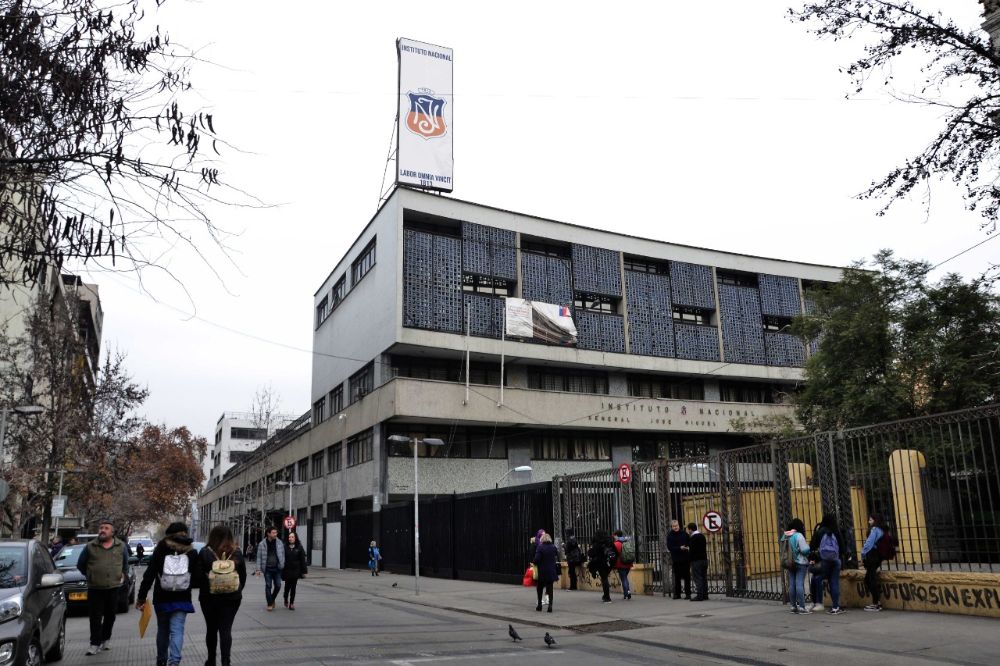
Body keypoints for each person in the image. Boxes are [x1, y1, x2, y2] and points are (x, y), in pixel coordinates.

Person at [137, 522, 201, 666]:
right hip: (182, 598)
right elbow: (197, 578)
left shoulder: (160, 549)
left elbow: (150, 574)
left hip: (162, 598)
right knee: (177, 630)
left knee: (163, 630)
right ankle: (174, 661)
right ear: (185, 533)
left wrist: (141, 597)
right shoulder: (192, 552)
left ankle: (161, 661)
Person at [76, 519, 129, 656]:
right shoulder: (90, 546)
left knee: (110, 615)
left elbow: (125, 565)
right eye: (101, 528)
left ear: (112, 532)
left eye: (106, 528)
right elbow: (81, 565)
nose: (102, 530)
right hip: (95, 588)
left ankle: (106, 639)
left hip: (113, 587)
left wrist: (122, 575)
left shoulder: (121, 546)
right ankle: (94, 643)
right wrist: (90, 575)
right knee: (95, 617)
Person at [199, 524, 247, 666]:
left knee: (211, 629)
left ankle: (211, 659)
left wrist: (209, 585)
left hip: (209, 598)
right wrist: (236, 590)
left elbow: (197, 577)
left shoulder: (204, 552)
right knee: (226, 629)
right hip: (232, 598)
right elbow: (242, 577)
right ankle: (226, 661)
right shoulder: (237, 553)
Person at [809, 513, 847, 614]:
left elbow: (812, 547)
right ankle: (835, 607)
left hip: (824, 561)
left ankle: (817, 602)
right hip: (836, 560)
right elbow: (843, 547)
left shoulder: (820, 531)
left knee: (817, 577)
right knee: (834, 582)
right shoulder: (836, 531)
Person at [781, 518, 811, 614]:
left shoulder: (785, 536)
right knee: (799, 584)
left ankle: (793, 606)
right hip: (800, 562)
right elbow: (805, 550)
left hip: (789, 562)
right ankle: (802, 607)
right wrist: (809, 548)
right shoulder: (798, 535)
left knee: (792, 584)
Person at [254, 527, 286, 611]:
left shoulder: (279, 543)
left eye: (276, 532)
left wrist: (282, 563)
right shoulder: (262, 544)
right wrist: (258, 569)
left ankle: (272, 599)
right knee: (268, 586)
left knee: (278, 585)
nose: (275, 534)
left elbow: (283, 554)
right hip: (267, 568)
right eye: (273, 532)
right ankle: (269, 603)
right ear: (268, 533)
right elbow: (259, 558)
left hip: (277, 568)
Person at [861, 514, 885, 612]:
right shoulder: (881, 530)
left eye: (870, 520)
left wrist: (862, 554)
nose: (869, 522)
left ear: (875, 520)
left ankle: (876, 603)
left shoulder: (874, 530)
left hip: (872, 556)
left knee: (870, 579)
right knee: (869, 578)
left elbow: (869, 543)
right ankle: (876, 602)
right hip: (877, 556)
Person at [532, 533, 559, 613]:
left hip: (542, 571)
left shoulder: (540, 547)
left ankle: (539, 605)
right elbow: (557, 555)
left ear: (542, 539)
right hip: (551, 571)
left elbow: (537, 559)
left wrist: (533, 563)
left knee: (539, 588)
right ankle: (550, 606)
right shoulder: (553, 547)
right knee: (550, 588)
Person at [586, 531, 615, 603]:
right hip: (609, 563)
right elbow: (615, 552)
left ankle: (607, 597)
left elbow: (591, 554)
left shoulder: (597, 544)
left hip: (601, 563)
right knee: (604, 578)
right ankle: (606, 596)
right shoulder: (609, 543)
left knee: (604, 579)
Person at [666, 519, 691, 600]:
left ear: (679, 525)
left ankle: (688, 594)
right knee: (677, 577)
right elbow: (670, 547)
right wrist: (679, 548)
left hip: (685, 558)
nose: (675, 527)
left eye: (676, 526)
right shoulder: (670, 535)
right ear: (672, 527)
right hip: (676, 559)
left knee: (687, 577)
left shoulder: (684, 533)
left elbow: (689, 542)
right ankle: (677, 594)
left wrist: (687, 547)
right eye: (674, 526)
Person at [282, 532, 308, 609]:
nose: (291, 538)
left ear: (295, 538)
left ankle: (292, 603)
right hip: (287, 570)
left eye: (292, 537)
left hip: (296, 570)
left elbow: (303, 560)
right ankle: (285, 598)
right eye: (289, 537)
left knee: (293, 587)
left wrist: (304, 571)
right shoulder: (285, 547)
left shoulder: (299, 547)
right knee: (287, 587)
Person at [686, 522, 709, 601]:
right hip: (704, 560)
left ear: (690, 529)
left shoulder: (693, 538)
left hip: (696, 561)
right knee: (704, 577)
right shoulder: (702, 536)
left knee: (698, 578)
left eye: (688, 529)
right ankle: (705, 594)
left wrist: (689, 559)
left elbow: (692, 551)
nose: (688, 531)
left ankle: (699, 595)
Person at [612, 530, 633, 601]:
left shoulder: (616, 543)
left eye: (614, 536)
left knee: (623, 579)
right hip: (628, 563)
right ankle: (627, 591)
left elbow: (614, 554)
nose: (614, 537)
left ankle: (626, 594)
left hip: (621, 564)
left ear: (617, 535)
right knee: (625, 578)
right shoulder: (627, 541)